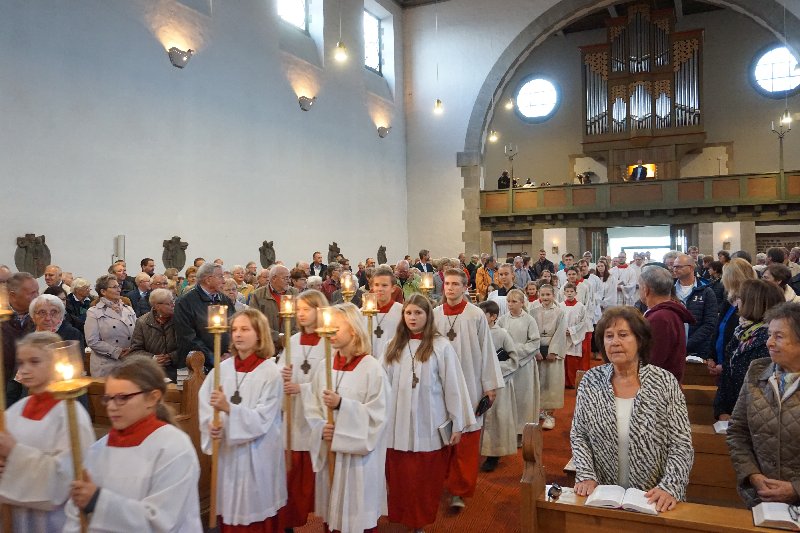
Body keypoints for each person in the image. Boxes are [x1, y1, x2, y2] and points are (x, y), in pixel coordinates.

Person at [571, 307, 694, 512]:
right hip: (603, 494)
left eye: (623, 335)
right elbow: (579, 434)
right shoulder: (591, 381)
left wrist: (670, 486)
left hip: (654, 497)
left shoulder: (664, 382)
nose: (614, 342)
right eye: (608, 336)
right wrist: (586, 474)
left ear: (640, 340)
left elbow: (681, 443)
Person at [64, 356, 201, 531]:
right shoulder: (98, 449)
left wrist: (97, 501)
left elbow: (160, 521)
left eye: (122, 398)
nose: (112, 407)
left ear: (152, 398)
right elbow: (76, 511)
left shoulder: (174, 447)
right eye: (109, 398)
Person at [383, 294, 473, 532]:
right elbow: (381, 385)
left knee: (425, 478)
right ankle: (405, 518)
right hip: (397, 424)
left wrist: (457, 423)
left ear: (428, 316)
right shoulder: (392, 345)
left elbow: (453, 386)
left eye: (418, 313)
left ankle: (420, 523)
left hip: (429, 422)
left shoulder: (440, 346)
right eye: (408, 313)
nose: (412, 317)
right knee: (401, 477)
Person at [302, 303, 389, 533]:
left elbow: (378, 416)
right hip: (332, 451)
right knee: (332, 517)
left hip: (359, 461)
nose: (329, 331)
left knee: (357, 517)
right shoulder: (324, 366)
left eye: (336, 327)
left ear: (354, 329)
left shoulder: (372, 369)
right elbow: (312, 406)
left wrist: (342, 405)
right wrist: (321, 427)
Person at [199, 309, 286, 530]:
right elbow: (206, 405)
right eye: (234, 329)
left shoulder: (270, 372)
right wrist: (212, 425)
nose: (237, 334)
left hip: (258, 453)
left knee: (256, 514)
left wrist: (229, 408)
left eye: (245, 329)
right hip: (228, 454)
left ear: (260, 334)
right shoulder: (222, 370)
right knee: (228, 512)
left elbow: (264, 417)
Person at [0, 332, 94, 531]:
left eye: (34, 362)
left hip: (54, 518)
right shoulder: (16, 410)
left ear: (55, 364)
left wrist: (15, 453)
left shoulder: (70, 414)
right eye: (21, 363)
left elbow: (67, 475)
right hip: (16, 514)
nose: (24, 370)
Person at [434, 268, 503, 510]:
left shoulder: (475, 315)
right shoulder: (434, 315)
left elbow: (487, 352)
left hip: (470, 382)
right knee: (441, 436)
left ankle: (459, 491)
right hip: (439, 386)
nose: (450, 288)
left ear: (465, 287)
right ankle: (442, 483)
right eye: (447, 284)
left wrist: (489, 386)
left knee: (466, 439)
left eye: (456, 284)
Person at [726, 302, 800, 508]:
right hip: (761, 498)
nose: (769, 343)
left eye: (779, 336)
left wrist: (795, 488)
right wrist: (753, 475)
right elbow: (737, 431)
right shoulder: (757, 371)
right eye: (769, 335)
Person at [279, 290, 328, 531]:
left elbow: (332, 380)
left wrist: (304, 388)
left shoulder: (329, 340)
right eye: (298, 310)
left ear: (320, 310)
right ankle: (289, 522)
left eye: (306, 309)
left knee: (319, 478)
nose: (300, 314)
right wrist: (281, 376)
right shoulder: (292, 340)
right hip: (294, 417)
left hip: (317, 419)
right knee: (292, 475)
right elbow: (278, 375)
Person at [713, 279, 784, 420]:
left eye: (740, 298)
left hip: (758, 418)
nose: (736, 302)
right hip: (734, 412)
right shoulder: (741, 332)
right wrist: (721, 410)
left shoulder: (769, 340)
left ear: (753, 303)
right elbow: (727, 375)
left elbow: (764, 389)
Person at [478, 300, 520, 472]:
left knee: (496, 419)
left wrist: (494, 368)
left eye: (483, 315)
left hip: (498, 383)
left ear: (493, 317)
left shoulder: (502, 334)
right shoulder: (475, 332)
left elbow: (514, 359)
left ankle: (493, 454)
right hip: (478, 382)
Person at [496, 289, 540, 446]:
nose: (510, 304)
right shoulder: (501, 320)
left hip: (524, 365)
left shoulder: (529, 320)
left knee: (524, 399)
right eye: (508, 301)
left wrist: (514, 351)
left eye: (514, 301)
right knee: (509, 399)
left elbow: (535, 342)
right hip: (508, 366)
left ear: (522, 303)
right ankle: (509, 431)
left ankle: (523, 432)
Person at [639, 266, 696, 382]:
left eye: (639, 287)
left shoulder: (660, 318)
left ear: (646, 290)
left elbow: (652, 360)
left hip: (658, 387)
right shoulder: (667, 313)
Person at [529, 284, 566, 430]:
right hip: (538, 350)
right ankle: (539, 411)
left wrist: (554, 351)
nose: (545, 298)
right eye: (542, 295)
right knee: (539, 382)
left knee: (552, 382)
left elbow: (561, 332)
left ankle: (550, 414)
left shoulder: (559, 312)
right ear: (539, 295)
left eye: (548, 295)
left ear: (553, 295)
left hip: (552, 350)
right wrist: (535, 350)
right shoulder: (533, 311)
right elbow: (531, 331)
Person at [85, 275, 137, 377]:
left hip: (129, 360)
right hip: (107, 365)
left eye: (118, 286)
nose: (119, 289)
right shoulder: (94, 312)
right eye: (114, 287)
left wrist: (133, 349)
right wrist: (116, 351)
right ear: (103, 292)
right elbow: (92, 341)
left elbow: (138, 333)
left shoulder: (128, 309)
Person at [128, 288, 180, 382]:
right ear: (156, 306)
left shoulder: (180, 319)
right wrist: (153, 358)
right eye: (169, 303)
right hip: (153, 372)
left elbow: (188, 345)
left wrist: (171, 357)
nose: (173, 305)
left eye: (173, 301)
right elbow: (135, 350)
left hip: (178, 370)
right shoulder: (142, 322)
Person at [673, 253, 718, 361]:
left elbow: (710, 323)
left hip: (698, 349)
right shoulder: (670, 291)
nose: (675, 269)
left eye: (679, 266)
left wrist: (688, 343)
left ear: (691, 267)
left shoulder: (706, 291)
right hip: (673, 347)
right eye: (674, 266)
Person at [366, 266, 404, 362]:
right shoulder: (363, 312)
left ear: (393, 288)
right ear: (372, 287)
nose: (380, 289)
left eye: (384, 285)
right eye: (377, 285)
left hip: (393, 361)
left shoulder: (401, 312)